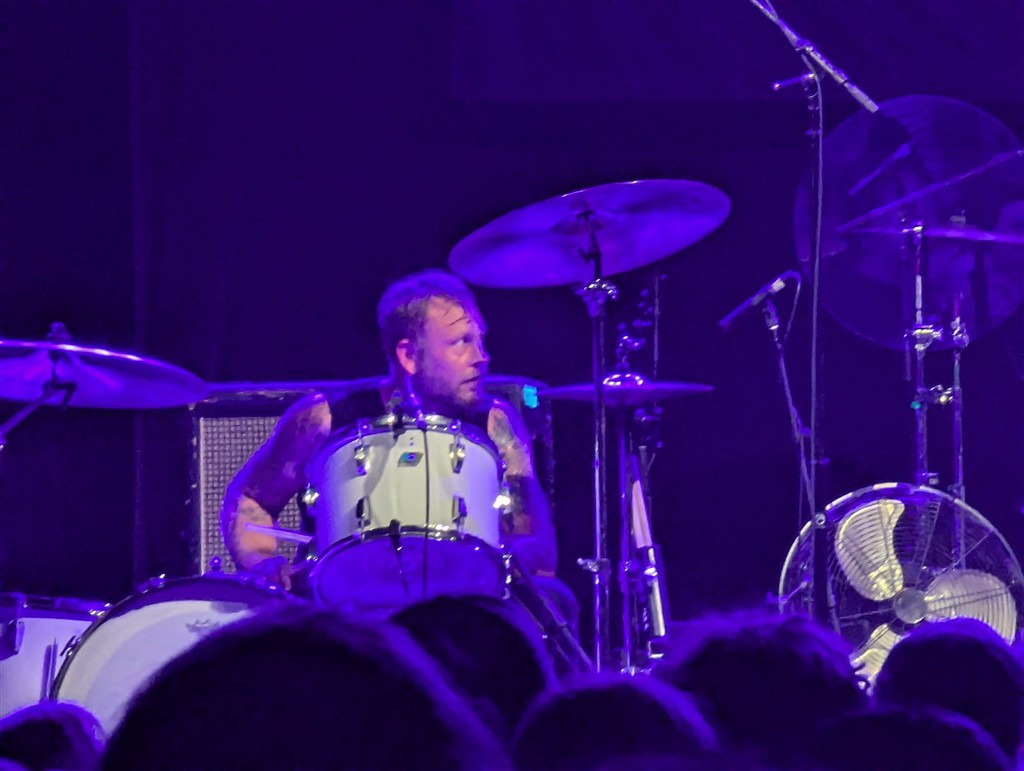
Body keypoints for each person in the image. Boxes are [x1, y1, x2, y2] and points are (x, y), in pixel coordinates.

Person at [220, 269, 557, 593]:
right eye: (461, 342)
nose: (482, 357)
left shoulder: (495, 423)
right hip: (343, 610)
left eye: (481, 340)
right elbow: (251, 499)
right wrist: (262, 562)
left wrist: (523, 553)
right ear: (408, 355)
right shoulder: (324, 419)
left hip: (461, 606)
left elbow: (538, 554)